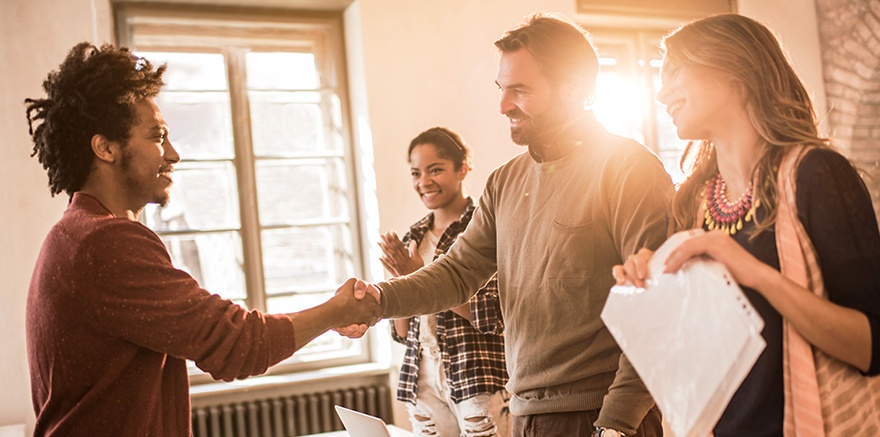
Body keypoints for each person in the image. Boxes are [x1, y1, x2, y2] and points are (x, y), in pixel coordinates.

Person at [340, 12, 674, 437]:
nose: (502, 105)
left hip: (601, 418)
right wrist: (376, 301)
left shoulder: (629, 170)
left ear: (574, 90)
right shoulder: (505, 181)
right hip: (525, 413)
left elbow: (656, 306)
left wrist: (618, 422)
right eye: (502, 89)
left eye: (520, 90)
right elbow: (456, 274)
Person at [24, 42, 381, 436]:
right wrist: (337, 311)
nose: (174, 154)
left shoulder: (72, 234)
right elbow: (239, 343)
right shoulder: (104, 242)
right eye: (157, 136)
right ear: (105, 147)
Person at [613, 14, 880, 436]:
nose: (663, 93)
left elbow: (870, 347)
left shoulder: (816, 175)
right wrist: (656, 289)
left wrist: (752, 271)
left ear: (735, 71)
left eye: (676, 72)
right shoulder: (692, 202)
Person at [380, 127, 509, 437]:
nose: (424, 182)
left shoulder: (486, 229)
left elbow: (493, 315)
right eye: (415, 173)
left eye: (435, 169)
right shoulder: (413, 237)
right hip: (422, 379)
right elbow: (401, 332)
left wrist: (418, 277)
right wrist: (404, 283)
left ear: (463, 168)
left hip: (475, 376)